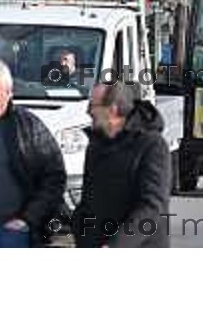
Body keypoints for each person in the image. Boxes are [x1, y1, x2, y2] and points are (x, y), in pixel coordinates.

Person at [73, 83, 171, 248]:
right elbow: (89, 200)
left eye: (92, 105)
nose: (88, 112)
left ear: (113, 109)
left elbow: (152, 207)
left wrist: (117, 245)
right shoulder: (96, 144)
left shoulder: (152, 145)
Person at [0, 60, 66, 248]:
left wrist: (28, 218)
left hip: (10, 230)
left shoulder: (28, 126)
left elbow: (54, 177)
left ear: (9, 93)